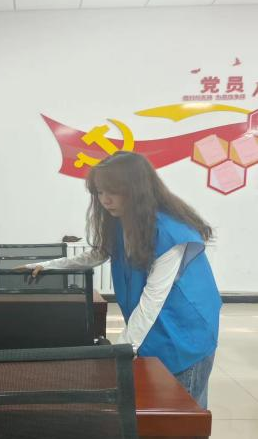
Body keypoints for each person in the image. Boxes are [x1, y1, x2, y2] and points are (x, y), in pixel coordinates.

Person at [26, 151, 221, 409]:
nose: (104, 200)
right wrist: (49, 265)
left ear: (136, 189)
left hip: (185, 329)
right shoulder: (123, 218)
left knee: (182, 412)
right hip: (155, 322)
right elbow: (99, 253)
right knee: (153, 402)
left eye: (113, 192)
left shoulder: (170, 231)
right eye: (99, 192)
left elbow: (152, 299)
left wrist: (118, 351)